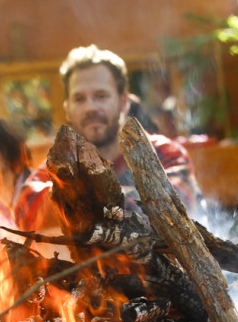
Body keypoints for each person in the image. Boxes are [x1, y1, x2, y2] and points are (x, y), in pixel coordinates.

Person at [22, 45, 203, 221]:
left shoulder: (162, 154)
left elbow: (175, 204)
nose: (90, 108)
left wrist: (79, 202)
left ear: (124, 102)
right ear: (67, 109)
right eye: (79, 99)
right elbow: (25, 207)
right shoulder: (62, 165)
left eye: (101, 96)